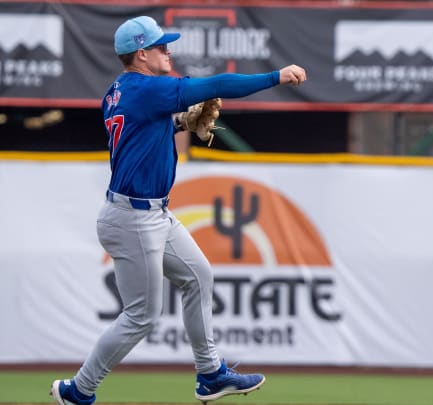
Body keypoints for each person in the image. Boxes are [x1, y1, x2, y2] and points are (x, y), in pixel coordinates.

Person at [50, 16, 307, 405]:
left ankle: (210, 374)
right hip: (133, 218)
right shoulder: (147, 88)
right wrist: (276, 76)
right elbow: (218, 84)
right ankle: (79, 390)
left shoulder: (118, 90)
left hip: (150, 214)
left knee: (198, 276)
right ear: (141, 54)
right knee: (141, 317)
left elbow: (142, 133)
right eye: (160, 46)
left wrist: (178, 123)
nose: (168, 51)